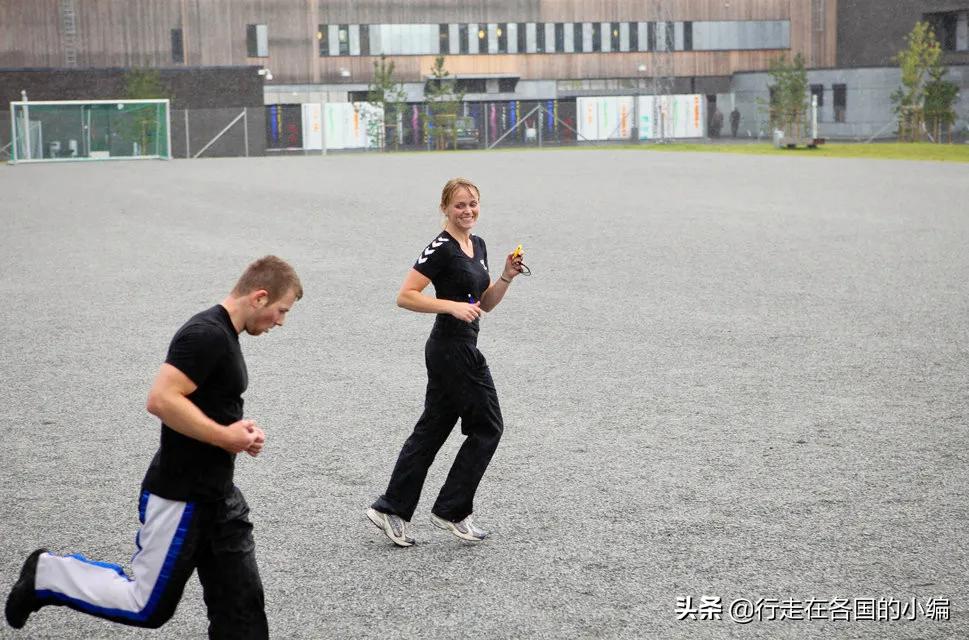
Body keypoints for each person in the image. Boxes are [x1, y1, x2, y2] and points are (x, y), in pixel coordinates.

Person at [5, 256, 303, 638]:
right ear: (260, 297)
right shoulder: (205, 334)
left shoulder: (225, 334)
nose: (280, 321)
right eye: (281, 311)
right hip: (182, 496)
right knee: (146, 607)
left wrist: (237, 430)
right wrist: (224, 436)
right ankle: (48, 575)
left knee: (241, 610)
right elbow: (162, 400)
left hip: (220, 497)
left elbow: (202, 402)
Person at [367, 178, 524, 547]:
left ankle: (390, 508)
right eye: (459, 206)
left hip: (459, 344)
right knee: (488, 426)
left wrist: (505, 276)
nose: (467, 211)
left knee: (432, 430)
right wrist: (449, 305)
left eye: (473, 204)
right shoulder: (439, 248)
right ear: (445, 209)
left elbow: (483, 304)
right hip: (452, 348)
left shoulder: (477, 244)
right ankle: (452, 509)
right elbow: (405, 296)